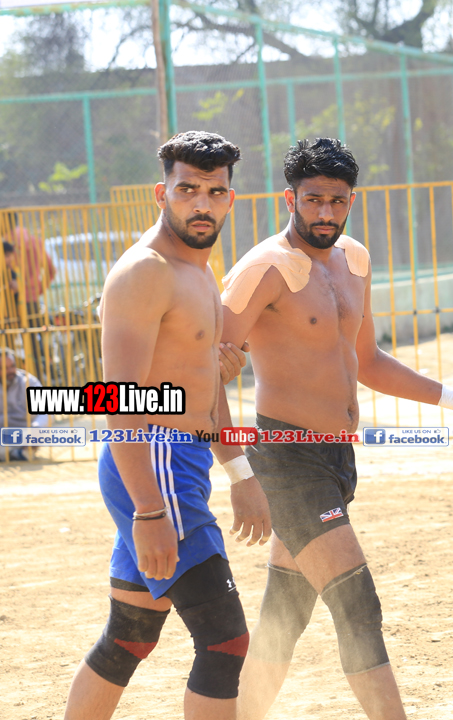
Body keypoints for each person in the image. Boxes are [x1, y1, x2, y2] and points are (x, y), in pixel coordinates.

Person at [218, 138, 453, 720]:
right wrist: (239, 471)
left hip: (337, 460)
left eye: (338, 201)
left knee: (284, 615)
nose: (326, 213)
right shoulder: (264, 269)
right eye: (313, 200)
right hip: (287, 460)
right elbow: (203, 367)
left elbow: (367, 362)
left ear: (352, 200)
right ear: (289, 199)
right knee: (357, 606)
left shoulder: (354, 260)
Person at [63, 131, 272, 720]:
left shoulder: (199, 270)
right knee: (226, 641)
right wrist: (150, 511)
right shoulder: (145, 272)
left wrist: (240, 472)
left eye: (215, 192)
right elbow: (119, 401)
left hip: (178, 463)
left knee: (129, 637)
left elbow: (204, 385)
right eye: (187, 190)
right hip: (154, 466)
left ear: (231, 199)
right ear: (162, 194)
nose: (202, 204)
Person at [9, 222, 56, 378]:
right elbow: (51, 270)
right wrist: (37, 290)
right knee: (34, 344)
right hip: (31, 301)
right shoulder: (35, 242)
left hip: (8, 302)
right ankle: (40, 378)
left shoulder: (6, 243)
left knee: (7, 344)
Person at [1, 346, 46, 461]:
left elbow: (46, 411)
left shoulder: (29, 382)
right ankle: (18, 454)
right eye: (5, 368)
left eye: (12, 366)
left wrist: (36, 428)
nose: (10, 371)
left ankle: (18, 453)